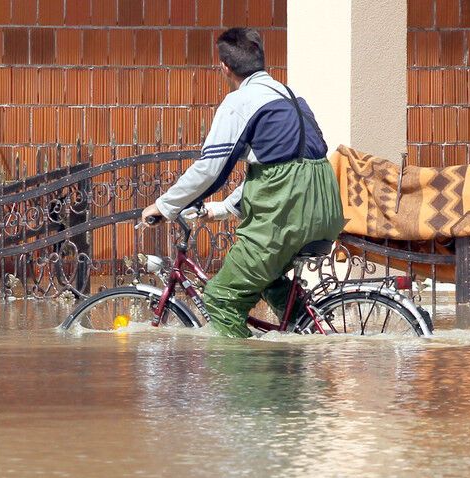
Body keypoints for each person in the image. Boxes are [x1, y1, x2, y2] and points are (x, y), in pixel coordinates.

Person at [141, 28, 344, 338]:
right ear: (261, 60)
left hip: (286, 213)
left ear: (225, 67)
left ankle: (245, 383)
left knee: (221, 298)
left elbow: (211, 168)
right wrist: (221, 209)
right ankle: (307, 341)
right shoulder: (292, 97)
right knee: (269, 280)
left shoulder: (240, 102)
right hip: (324, 207)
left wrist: (164, 205)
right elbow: (286, 167)